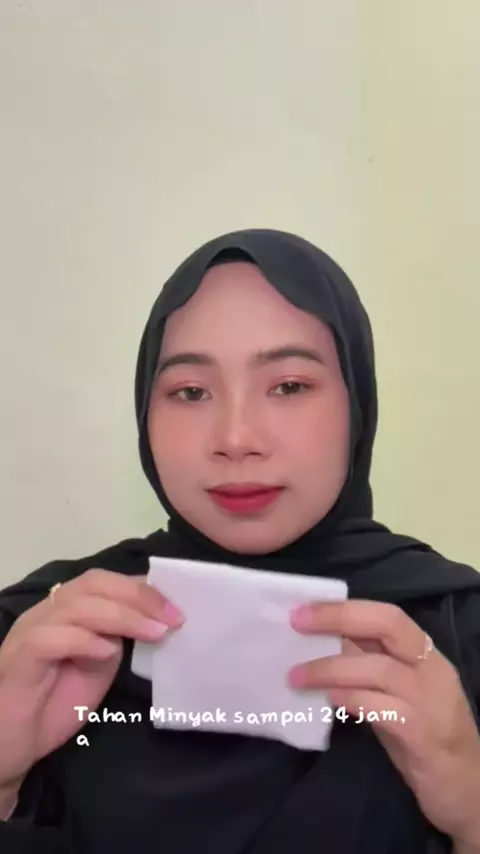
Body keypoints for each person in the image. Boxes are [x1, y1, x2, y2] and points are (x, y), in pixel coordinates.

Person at [1, 228, 480, 854]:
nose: (235, 438)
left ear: (357, 403)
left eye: (289, 386)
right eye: (190, 392)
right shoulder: (37, 638)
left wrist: (472, 808)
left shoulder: (462, 633)